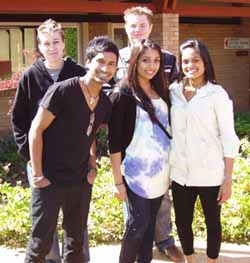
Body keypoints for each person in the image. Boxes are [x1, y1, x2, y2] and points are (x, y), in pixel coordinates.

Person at [21, 35, 118, 263]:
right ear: (88, 62)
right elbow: (36, 129)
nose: (106, 68)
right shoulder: (63, 91)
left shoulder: (104, 101)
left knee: (76, 242)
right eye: (101, 61)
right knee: (40, 242)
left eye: (112, 64)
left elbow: (91, 132)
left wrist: (92, 167)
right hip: (50, 179)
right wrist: (37, 174)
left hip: (80, 180)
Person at [11, 19, 91, 263]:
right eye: (46, 43)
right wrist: (31, 156)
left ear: (63, 43)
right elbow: (19, 120)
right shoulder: (30, 76)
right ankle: (51, 259)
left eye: (56, 42)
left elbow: (91, 117)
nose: (52, 47)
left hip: (74, 165)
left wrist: (90, 161)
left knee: (76, 223)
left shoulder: (79, 74)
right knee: (43, 223)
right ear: (40, 46)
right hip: (41, 164)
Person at [116, 6, 183, 262]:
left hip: (160, 142)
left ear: (150, 27)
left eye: (142, 25)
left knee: (160, 197)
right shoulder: (118, 57)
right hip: (131, 140)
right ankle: (133, 239)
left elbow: (173, 94)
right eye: (132, 25)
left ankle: (164, 239)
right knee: (135, 208)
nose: (137, 30)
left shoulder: (166, 58)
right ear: (126, 28)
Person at [169, 39, 240, 263]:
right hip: (180, 173)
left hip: (210, 173)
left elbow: (229, 137)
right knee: (182, 222)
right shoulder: (173, 92)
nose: (191, 65)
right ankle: (190, 260)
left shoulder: (217, 95)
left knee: (212, 222)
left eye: (196, 60)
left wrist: (227, 179)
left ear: (205, 62)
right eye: (186, 61)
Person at [109, 39, 171, 263]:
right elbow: (114, 143)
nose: (151, 66)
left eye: (156, 60)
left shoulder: (161, 90)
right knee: (137, 224)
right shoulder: (124, 94)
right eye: (145, 60)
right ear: (135, 61)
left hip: (160, 172)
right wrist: (118, 182)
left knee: (150, 225)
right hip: (135, 174)